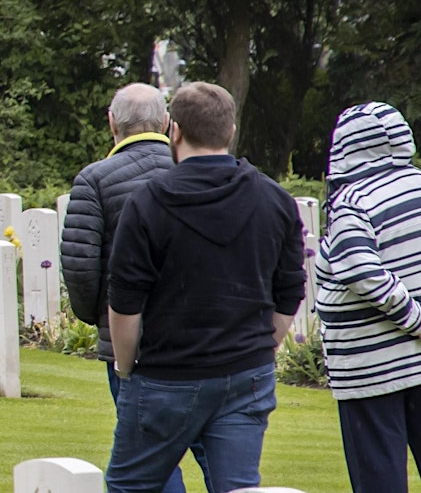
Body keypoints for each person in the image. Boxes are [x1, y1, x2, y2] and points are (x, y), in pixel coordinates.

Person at [105, 82, 306, 493]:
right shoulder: (275, 199)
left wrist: (126, 369)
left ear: (173, 130)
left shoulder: (147, 203)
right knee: (237, 489)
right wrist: (262, 348)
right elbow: (289, 292)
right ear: (230, 130)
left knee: (130, 486)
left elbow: (125, 304)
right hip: (246, 372)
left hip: (167, 375)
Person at [315, 102, 421, 493]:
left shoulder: (352, 201)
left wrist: (418, 320)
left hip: (368, 365)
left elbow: (359, 270)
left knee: (379, 479)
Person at [61, 83, 210, 493]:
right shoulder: (198, 171)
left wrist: (99, 318)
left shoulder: (95, 179)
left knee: (150, 460)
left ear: (112, 122)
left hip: (131, 339)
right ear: (166, 123)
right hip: (203, 337)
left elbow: (80, 267)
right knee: (216, 454)